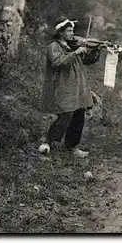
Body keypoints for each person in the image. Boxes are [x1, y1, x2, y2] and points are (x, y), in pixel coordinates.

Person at [39, 16, 102, 157]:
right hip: (63, 86)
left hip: (77, 87)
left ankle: (72, 147)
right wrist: (75, 52)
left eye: (72, 30)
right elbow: (58, 62)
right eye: (69, 30)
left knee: (79, 115)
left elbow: (87, 61)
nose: (72, 33)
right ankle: (48, 141)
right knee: (65, 115)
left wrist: (97, 51)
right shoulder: (53, 47)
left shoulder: (72, 46)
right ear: (60, 32)